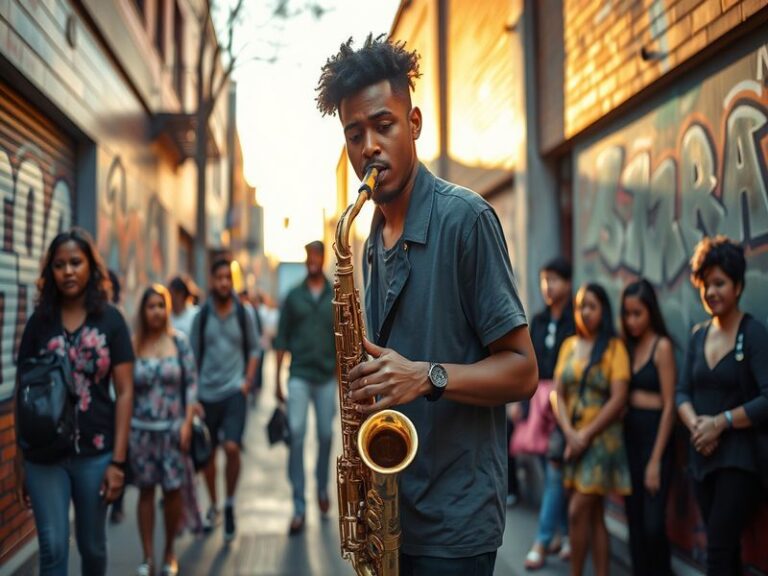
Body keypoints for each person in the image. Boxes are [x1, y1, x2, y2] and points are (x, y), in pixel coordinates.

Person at [316, 35, 538, 574]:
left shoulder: (467, 219)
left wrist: (426, 377)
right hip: (392, 512)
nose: (369, 145)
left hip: (455, 521)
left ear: (413, 124)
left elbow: (523, 371)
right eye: (354, 133)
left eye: (383, 125)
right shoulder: (366, 238)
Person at [13, 227, 134, 575]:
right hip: (44, 454)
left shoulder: (111, 320)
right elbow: (24, 390)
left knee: (92, 548)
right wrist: (20, 459)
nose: (68, 271)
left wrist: (119, 462)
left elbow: (125, 392)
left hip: (96, 454)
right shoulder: (40, 322)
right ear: (50, 272)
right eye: (59, 264)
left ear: (90, 268)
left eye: (76, 263)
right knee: (52, 548)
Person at [676, 236, 768, 575]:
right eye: (706, 284)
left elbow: (767, 398)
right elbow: (682, 392)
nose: (712, 292)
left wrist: (722, 422)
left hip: (739, 462)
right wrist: (699, 425)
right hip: (701, 458)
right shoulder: (698, 335)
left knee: (716, 550)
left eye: (720, 283)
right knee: (726, 555)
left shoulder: (753, 332)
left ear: (738, 285)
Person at [553, 283, 630, 576]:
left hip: (602, 440)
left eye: (592, 306)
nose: (585, 312)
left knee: (577, 512)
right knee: (595, 516)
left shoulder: (614, 347)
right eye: (580, 306)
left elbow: (619, 398)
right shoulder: (569, 346)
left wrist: (585, 435)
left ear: (603, 310)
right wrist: (571, 433)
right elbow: (557, 394)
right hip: (573, 438)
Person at [129, 285, 200, 576]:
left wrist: (186, 423)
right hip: (142, 433)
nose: (156, 311)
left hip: (173, 433)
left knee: (173, 493)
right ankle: (147, 556)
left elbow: (192, 385)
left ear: (167, 309)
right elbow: (122, 390)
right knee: (146, 493)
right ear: (143, 311)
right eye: (151, 306)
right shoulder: (133, 345)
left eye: (161, 305)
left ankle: (170, 551)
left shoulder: (179, 343)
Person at [190, 258, 259, 543]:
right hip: (206, 394)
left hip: (233, 392)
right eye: (218, 277)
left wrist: (245, 384)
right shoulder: (201, 316)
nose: (223, 283)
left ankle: (230, 503)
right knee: (207, 456)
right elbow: (191, 356)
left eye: (227, 278)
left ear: (231, 281)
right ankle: (214, 506)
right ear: (211, 281)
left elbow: (255, 350)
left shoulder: (244, 313)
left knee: (231, 448)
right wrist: (192, 396)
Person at [274, 240, 337, 535]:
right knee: (296, 434)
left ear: (323, 259)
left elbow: (342, 339)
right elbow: (281, 339)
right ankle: (299, 505)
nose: (313, 260)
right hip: (298, 374)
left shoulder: (335, 295)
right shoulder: (293, 296)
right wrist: (276, 380)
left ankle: (322, 488)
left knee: (326, 435)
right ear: (305, 259)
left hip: (326, 377)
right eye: (309, 255)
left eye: (317, 256)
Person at [520, 256, 575, 570]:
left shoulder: (576, 317)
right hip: (539, 399)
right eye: (544, 280)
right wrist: (523, 405)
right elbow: (529, 364)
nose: (548, 286)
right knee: (547, 463)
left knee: (556, 470)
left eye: (553, 279)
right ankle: (564, 533)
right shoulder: (538, 320)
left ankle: (542, 540)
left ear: (567, 283)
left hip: (564, 400)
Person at [620, 279, 676, 575]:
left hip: (656, 439)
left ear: (650, 311)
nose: (631, 321)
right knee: (635, 523)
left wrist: (655, 460)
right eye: (627, 314)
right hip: (630, 438)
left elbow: (670, 406)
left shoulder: (661, 346)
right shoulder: (627, 347)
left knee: (654, 526)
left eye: (637, 313)